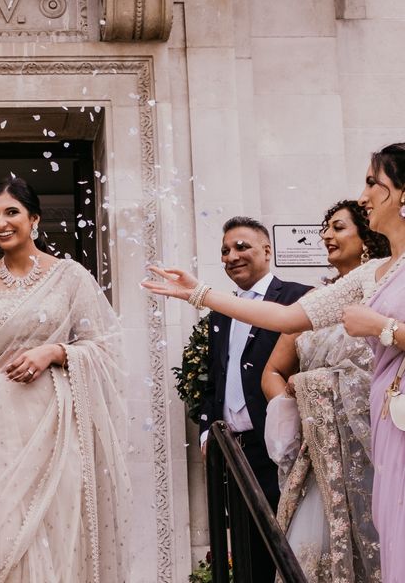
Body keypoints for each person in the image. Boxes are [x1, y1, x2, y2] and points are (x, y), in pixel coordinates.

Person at [143, 143, 405, 583]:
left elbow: (379, 329)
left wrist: (381, 328)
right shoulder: (372, 273)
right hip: (386, 424)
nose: (363, 197)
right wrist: (199, 293)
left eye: (371, 183)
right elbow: (286, 317)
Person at [0, 177, 132, 582]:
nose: (1, 222)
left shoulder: (69, 276)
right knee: (5, 519)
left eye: (11, 212)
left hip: (56, 415)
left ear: (34, 219)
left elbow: (107, 345)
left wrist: (54, 352)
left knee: (61, 514)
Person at [261, 200, 389, 582]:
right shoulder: (318, 301)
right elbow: (273, 371)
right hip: (318, 452)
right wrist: (297, 406)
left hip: (372, 447)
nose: (326, 236)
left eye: (338, 227)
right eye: (325, 229)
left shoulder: (384, 292)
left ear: (367, 236)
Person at [192, 216, 310, 578]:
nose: (232, 256)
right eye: (225, 251)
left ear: (267, 250)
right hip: (234, 450)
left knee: (288, 543)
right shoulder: (221, 312)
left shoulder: (297, 298)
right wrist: (207, 430)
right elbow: (214, 379)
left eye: (242, 247)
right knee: (247, 549)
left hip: (280, 445)